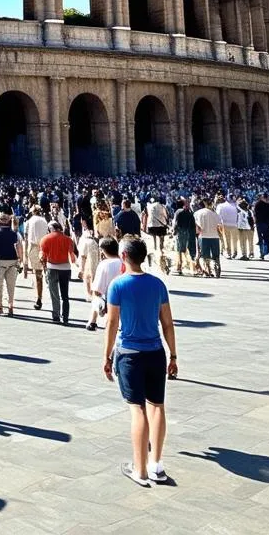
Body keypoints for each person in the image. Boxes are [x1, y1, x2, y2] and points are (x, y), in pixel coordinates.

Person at [102, 237, 178, 487]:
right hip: (156, 351)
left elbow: (112, 323)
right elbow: (167, 323)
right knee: (157, 406)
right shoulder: (157, 284)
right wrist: (174, 355)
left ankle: (140, 468)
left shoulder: (118, 285)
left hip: (130, 353)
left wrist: (107, 355)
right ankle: (156, 463)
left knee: (137, 409)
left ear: (123, 256)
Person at [40, 221, 77, 325]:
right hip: (65, 268)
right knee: (65, 295)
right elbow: (72, 257)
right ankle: (66, 316)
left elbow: (43, 256)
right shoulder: (68, 239)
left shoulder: (45, 239)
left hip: (52, 267)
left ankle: (56, 315)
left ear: (50, 229)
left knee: (54, 293)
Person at [0, 213, 23, 317]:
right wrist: (20, 260)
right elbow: (19, 247)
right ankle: (10, 306)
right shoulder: (15, 233)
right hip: (12, 261)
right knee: (11, 285)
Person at [87, 237, 122, 332]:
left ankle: (92, 320)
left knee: (96, 296)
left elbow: (97, 289)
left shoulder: (104, 264)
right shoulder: (124, 262)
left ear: (103, 251)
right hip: (124, 298)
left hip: (109, 299)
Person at [23, 205, 48, 311]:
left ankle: (38, 297)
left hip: (33, 247)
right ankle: (39, 295)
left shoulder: (29, 221)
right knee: (41, 273)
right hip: (44, 246)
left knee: (37, 273)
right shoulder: (44, 220)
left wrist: (25, 254)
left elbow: (26, 237)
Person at [194, 200, 221, 278]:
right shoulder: (214, 213)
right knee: (215, 255)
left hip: (203, 236)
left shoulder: (198, 213)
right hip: (215, 236)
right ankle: (217, 268)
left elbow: (198, 226)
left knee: (205, 255)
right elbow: (219, 225)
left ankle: (207, 271)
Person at [171, 198, 197, 276]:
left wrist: (174, 232)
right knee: (188, 250)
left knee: (179, 250)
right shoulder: (190, 213)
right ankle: (192, 267)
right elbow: (193, 224)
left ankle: (179, 267)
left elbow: (176, 223)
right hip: (189, 232)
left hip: (180, 232)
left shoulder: (178, 212)